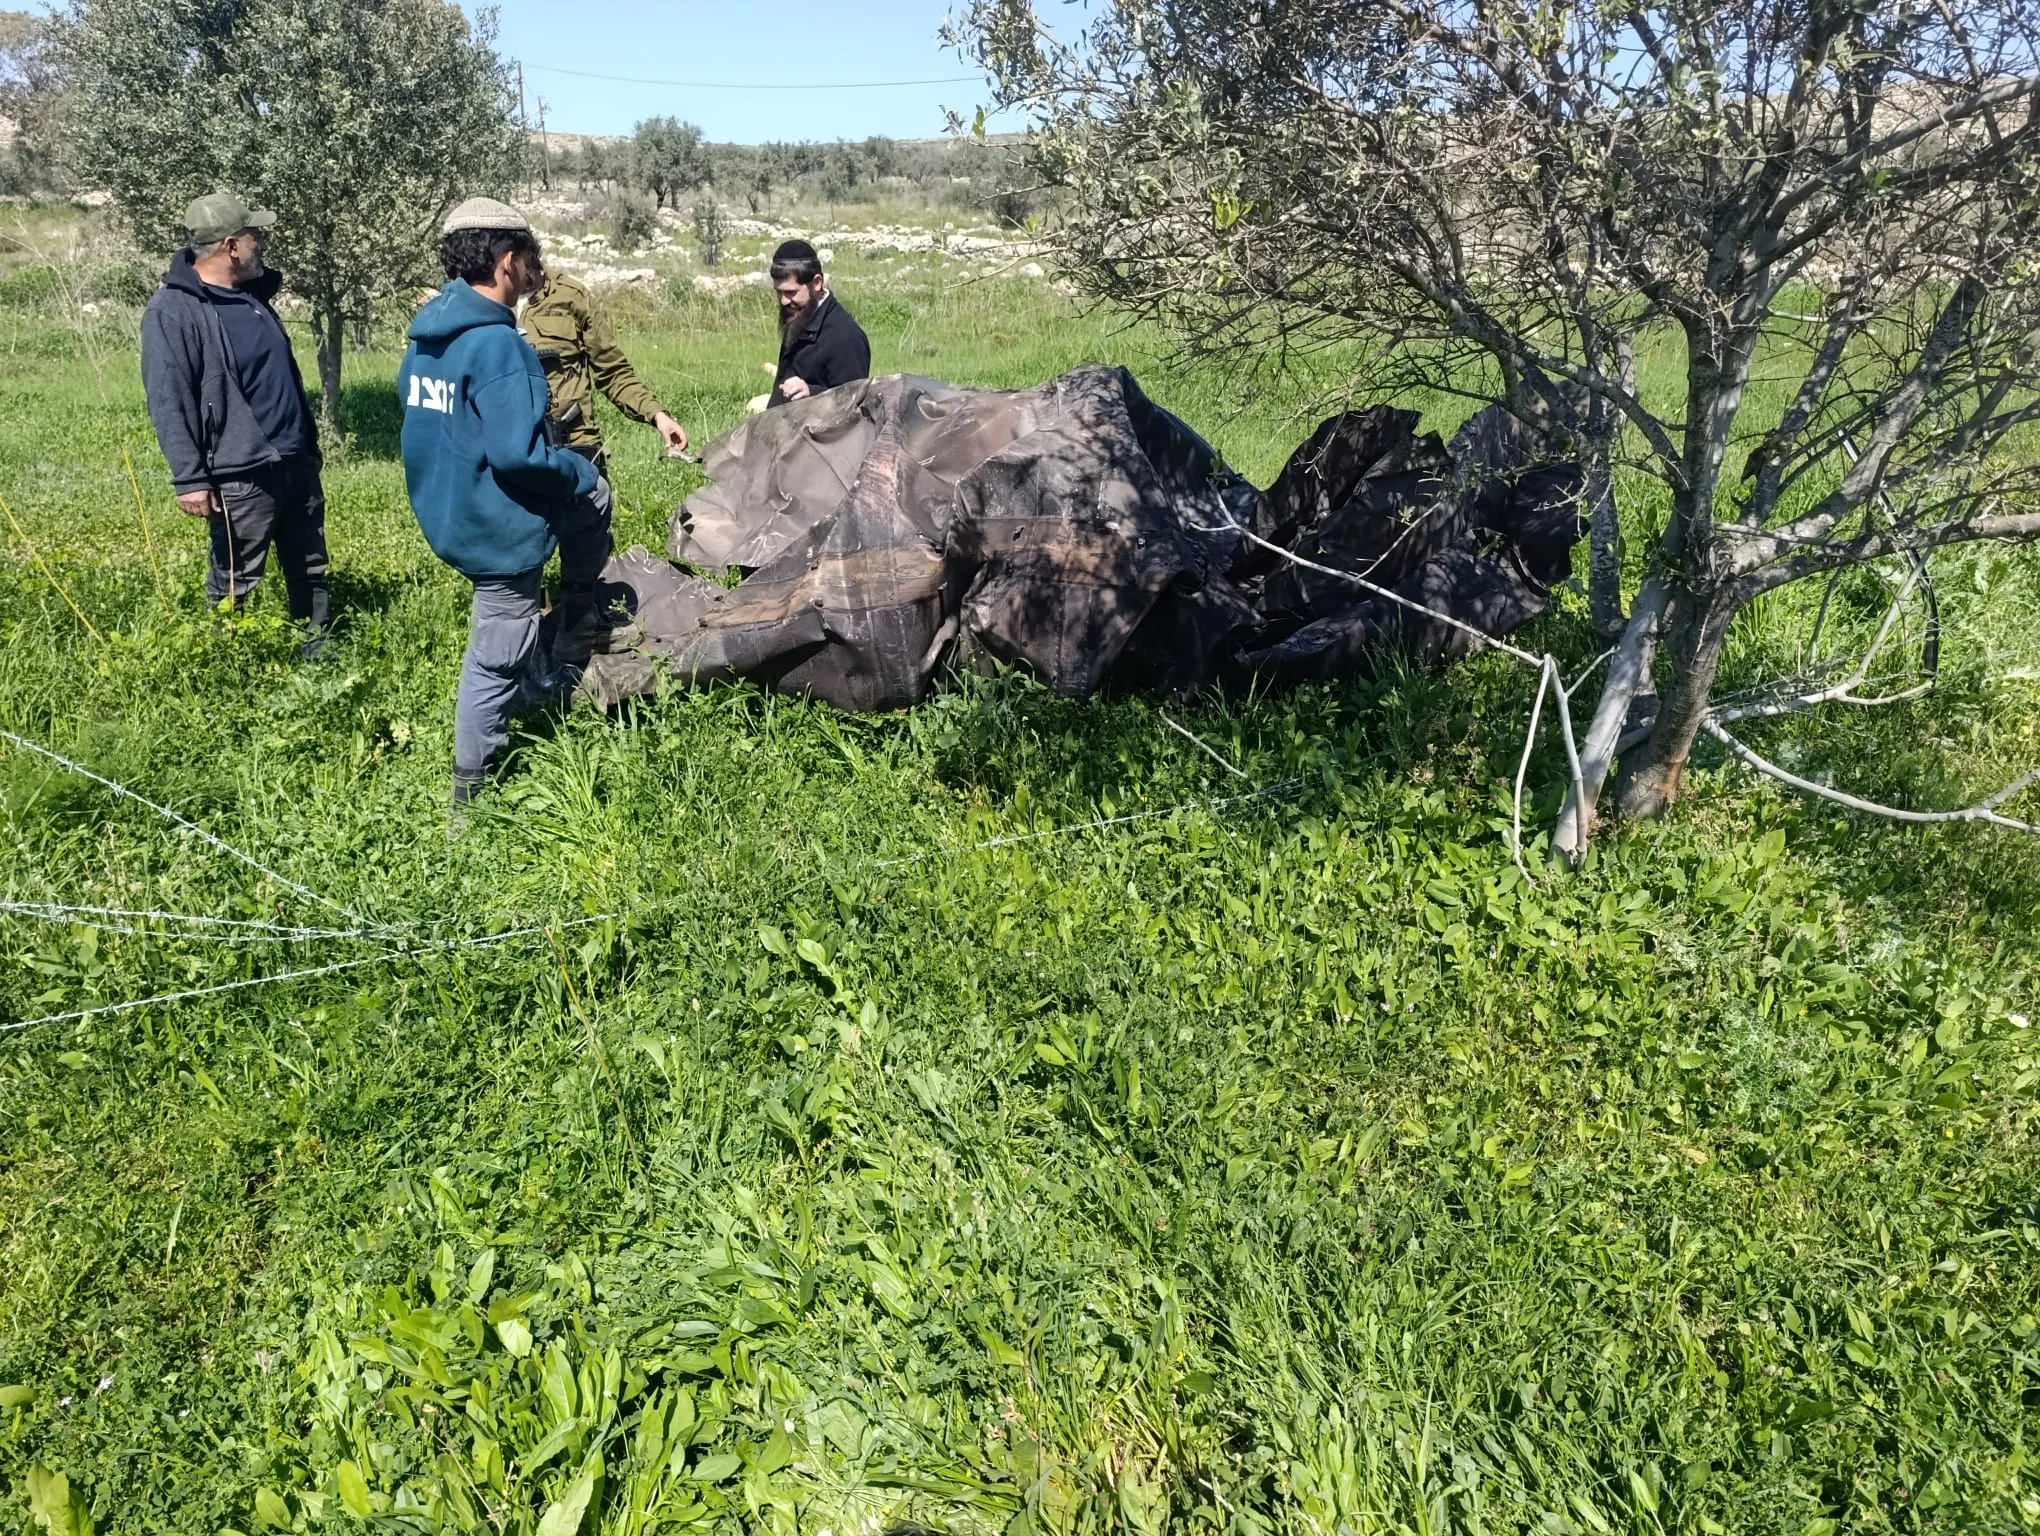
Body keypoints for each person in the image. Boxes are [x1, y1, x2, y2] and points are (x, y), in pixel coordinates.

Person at [398, 197, 611, 809]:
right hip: (497, 526)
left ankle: (567, 629)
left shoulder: (428, 336)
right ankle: (471, 795)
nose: (533, 273)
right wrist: (573, 465)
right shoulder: (498, 345)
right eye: (530, 259)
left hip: (450, 508)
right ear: (508, 260)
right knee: (495, 653)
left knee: (591, 508)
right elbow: (518, 458)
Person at [141, 190, 331, 658]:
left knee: (310, 568)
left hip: (293, 461)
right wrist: (190, 478)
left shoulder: (250, 296)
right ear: (230, 246)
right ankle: (230, 670)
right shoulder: (173, 310)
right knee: (234, 580)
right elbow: (168, 400)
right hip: (240, 473)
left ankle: (318, 656)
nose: (261, 243)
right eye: (255, 235)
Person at [520, 270, 689, 472]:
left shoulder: (569, 296)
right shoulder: (481, 299)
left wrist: (657, 414)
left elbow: (613, 372)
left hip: (573, 451)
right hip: (509, 452)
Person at [768, 239, 870, 408]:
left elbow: (853, 405)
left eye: (791, 292)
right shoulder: (799, 316)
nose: (784, 301)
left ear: (816, 283)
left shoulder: (845, 337)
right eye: (779, 292)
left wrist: (811, 392)